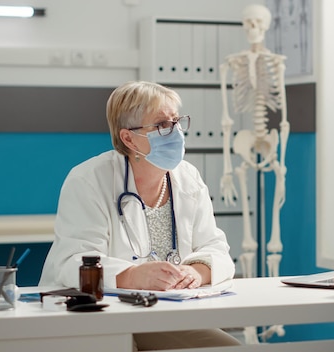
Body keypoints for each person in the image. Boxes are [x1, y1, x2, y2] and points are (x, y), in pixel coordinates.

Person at [39, 81, 240, 349]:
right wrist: (132, 276)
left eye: (177, 122)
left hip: (164, 314)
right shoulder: (89, 180)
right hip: (95, 316)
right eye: (162, 125)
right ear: (128, 138)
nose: (176, 132)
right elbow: (73, 261)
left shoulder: (188, 177)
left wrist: (197, 271)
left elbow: (215, 246)